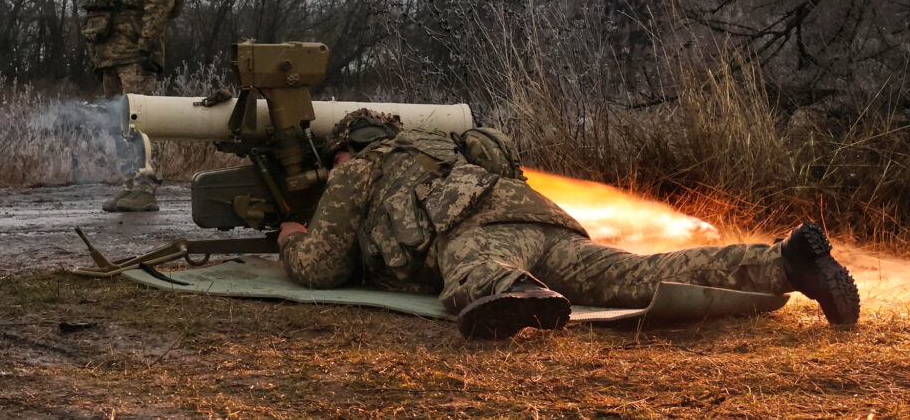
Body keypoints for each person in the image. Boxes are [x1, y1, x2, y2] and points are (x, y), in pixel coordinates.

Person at [278, 109, 860, 339]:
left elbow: (324, 267)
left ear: (345, 149)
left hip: (478, 229)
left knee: (477, 267)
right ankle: (784, 261)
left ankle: (519, 293)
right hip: (544, 220)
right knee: (636, 273)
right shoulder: (451, 149)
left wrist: (291, 239)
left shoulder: (360, 169)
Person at [79, 0, 178, 213]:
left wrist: (147, 43)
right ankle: (130, 185)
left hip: (135, 55)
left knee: (139, 123)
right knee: (117, 124)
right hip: (110, 56)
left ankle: (145, 189)